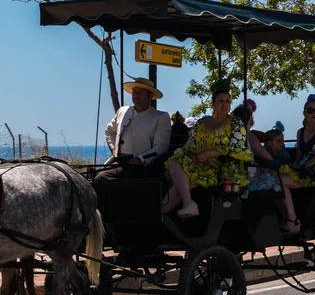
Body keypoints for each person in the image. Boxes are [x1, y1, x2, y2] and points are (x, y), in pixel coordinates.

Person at [162, 79, 253, 218]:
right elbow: (190, 144)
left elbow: (238, 148)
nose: (225, 104)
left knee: (180, 185)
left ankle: (161, 215)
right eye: (220, 100)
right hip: (197, 162)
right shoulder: (201, 122)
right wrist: (192, 155)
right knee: (175, 162)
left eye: (227, 100)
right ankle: (184, 205)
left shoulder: (235, 122)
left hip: (220, 166)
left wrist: (211, 153)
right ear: (213, 104)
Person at [96, 77, 171, 181]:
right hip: (120, 161)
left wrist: (140, 159)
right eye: (134, 92)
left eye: (140, 93)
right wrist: (113, 148)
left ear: (150, 96)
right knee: (100, 178)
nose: (136, 96)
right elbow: (109, 130)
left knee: (128, 181)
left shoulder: (160, 117)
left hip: (144, 165)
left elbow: (161, 146)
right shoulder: (122, 111)